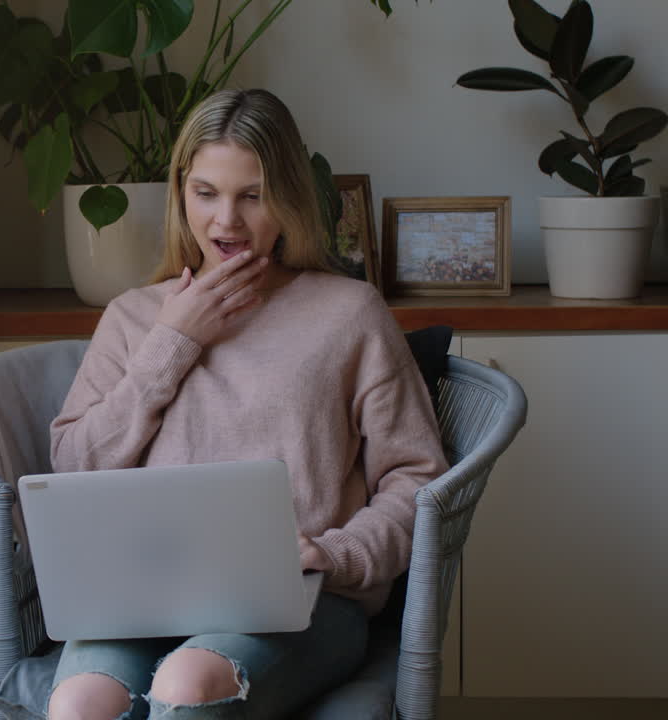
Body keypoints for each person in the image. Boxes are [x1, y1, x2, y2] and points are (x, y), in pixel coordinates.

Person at [46, 88, 449, 720]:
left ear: (287, 196)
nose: (225, 222)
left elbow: (417, 478)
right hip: (140, 597)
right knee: (77, 703)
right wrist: (173, 343)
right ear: (181, 192)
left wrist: (335, 554)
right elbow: (70, 472)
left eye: (252, 195)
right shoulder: (134, 318)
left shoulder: (349, 314)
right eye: (206, 193)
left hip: (303, 600)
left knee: (187, 684)